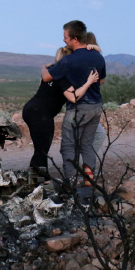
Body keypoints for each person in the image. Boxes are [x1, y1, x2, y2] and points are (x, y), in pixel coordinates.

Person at [42, 20, 106, 185]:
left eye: (66, 37)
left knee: (69, 147)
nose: (64, 40)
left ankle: (70, 184)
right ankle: (88, 182)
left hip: (78, 109)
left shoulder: (68, 60)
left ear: (74, 39)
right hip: (96, 106)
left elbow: (46, 77)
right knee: (87, 145)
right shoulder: (98, 56)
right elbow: (102, 80)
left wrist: (46, 67)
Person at [23, 45, 100, 178]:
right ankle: (40, 180)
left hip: (32, 109)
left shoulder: (51, 71)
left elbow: (43, 77)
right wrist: (89, 82)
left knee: (41, 147)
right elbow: (73, 97)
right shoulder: (63, 77)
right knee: (42, 149)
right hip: (41, 114)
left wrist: (44, 67)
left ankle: (35, 178)